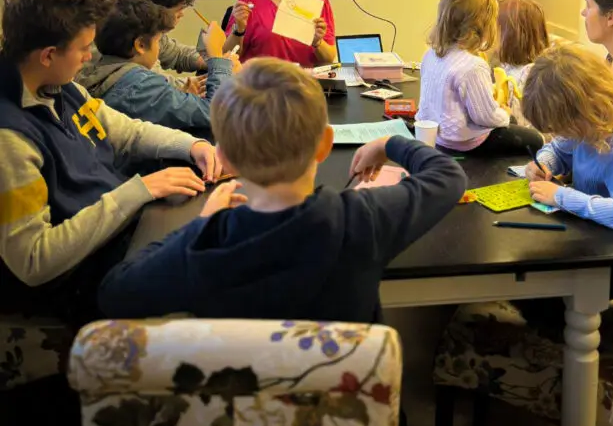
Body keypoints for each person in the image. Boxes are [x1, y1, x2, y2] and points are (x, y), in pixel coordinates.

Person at [98, 57, 466, 321]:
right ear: (325, 145)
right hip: (349, 424)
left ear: (225, 158)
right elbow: (447, 176)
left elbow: (114, 293)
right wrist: (389, 144)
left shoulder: (203, 247)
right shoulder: (362, 221)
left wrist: (200, 224)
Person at [0, 0, 219, 321]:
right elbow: (34, 261)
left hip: (118, 237)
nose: (90, 57)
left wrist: (192, 146)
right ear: (48, 55)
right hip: (83, 278)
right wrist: (138, 191)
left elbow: (127, 132)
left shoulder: (63, 87)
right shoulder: (10, 139)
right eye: (85, 48)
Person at [522, 44, 613, 238]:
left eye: (560, 127)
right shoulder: (585, 130)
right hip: (583, 235)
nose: (559, 134)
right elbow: (558, 150)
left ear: (583, 113)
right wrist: (544, 163)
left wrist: (560, 196)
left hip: (611, 251)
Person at [79, 0, 238, 133]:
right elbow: (216, 114)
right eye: (158, 40)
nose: (159, 47)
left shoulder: (105, 72)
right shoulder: (138, 84)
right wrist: (220, 60)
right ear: (140, 45)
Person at [418, 0, 542, 155]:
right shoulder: (474, 65)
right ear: (482, 25)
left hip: (438, 137)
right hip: (467, 142)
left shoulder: (430, 54)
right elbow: (485, 117)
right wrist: (505, 115)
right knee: (534, 139)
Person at [121, 0, 207, 85]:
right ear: (158, 9)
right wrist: (216, 74)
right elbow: (159, 87)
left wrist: (208, 60)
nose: (181, 15)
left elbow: (177, 54)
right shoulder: (129, 38)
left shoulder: (150, 30)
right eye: (178, 9)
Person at [496, 0, 550, 129]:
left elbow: (527, 125)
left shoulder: (530, 75)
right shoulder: (506, 66)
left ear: (510, 35)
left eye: (495, 30)